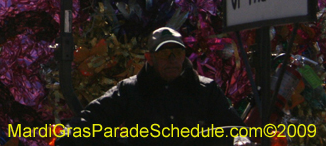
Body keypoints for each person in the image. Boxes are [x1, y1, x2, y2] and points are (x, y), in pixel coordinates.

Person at [62, 27, 244, 145]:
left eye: (177, 53)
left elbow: (235, 128)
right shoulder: (131, 89)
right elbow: (91, 119)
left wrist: (240, 140)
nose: (172, 60)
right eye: (165, 54)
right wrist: (69, 136)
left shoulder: (205, 89)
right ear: (150, 58)